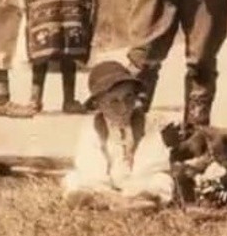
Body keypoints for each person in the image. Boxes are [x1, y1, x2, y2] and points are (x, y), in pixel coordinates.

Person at [62, 60, 175, 211]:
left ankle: (140, 202)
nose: (123, 108)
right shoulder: (93, 128)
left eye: (129, 98)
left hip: (138, 183)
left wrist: (132, 191)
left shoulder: (146, 124)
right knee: (73, 179)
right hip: (104, 187)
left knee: (162, 180)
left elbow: (152, 162)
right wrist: (107, 193)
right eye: (114, 101)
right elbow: (90, 166)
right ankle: (96, 201)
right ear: (98, 104)